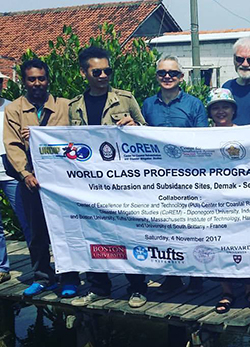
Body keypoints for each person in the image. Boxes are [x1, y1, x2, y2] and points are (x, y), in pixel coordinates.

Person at [68, 46, 148, 309]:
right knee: (94, 233)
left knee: (127, 234)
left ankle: (137, 287)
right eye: (97, 71)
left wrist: (136, 127)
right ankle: (99, 286)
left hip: (122, 183)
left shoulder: (125, 99)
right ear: (84, 73)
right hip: (89, 185)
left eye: (107, 70)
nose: (103, 75)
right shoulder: (73, 107)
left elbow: (148, 133)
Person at [3, 59, 74, 296]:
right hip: (31, 180)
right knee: (36, 233)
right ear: (24, 81)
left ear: (48, 80)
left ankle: (69, 279)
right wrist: (24, 174)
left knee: (66, 231)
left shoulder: (66, 106)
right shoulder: (13, 109)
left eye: (41, 78)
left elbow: (79, 137)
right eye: (31, 79)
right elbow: (12, 146)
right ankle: (43, 277)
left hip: (64, 180)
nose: (37, 83)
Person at [142, 55, 207, 295]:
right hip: (159, 179)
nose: (167, 77)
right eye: (162, 73)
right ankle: (172, 276)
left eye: (172, 73)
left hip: (189, 177)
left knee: (192, 228)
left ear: (181, 77)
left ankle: (197, 277)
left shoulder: (194, 104)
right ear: (157, 76)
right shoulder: (147, 104)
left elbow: (203, 140)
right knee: (166, 228)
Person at [204, 88, 250, 314]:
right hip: (214, 200)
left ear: (233, 110)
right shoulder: (200, 137)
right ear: (210, 112)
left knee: (247, 243)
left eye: (225, 106)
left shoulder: (247, 133)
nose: (221, 111)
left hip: (242, 199)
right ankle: (226, 291)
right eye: (216, 107)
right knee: (218, 244)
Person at [0, 88, 32, 284]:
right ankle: (1, 268)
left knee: (26, 219)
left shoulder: (12, 107)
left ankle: (41, 267)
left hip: (12, 170)